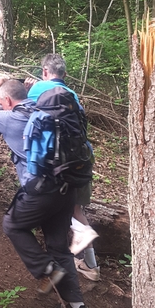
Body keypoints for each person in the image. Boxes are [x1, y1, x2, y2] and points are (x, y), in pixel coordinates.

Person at [0, 79, 88, 308]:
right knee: (58, 247)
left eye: (1, 101)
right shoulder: (45, 111)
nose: (1, 105)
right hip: (67, 188)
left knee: (12, 225)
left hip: (41, 191)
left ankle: (47, 270)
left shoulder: (9, 118)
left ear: (7, 101)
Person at [25, 53, 100, 282]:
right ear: (64, 74)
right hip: (82, 157)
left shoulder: (38, 88)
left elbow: (22, 115)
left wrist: (29, 88)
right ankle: (91, 264)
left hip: (57, 164)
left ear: (45, 71)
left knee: (67, 210)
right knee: (77, 209)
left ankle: (66, 258)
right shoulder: (72, 94)